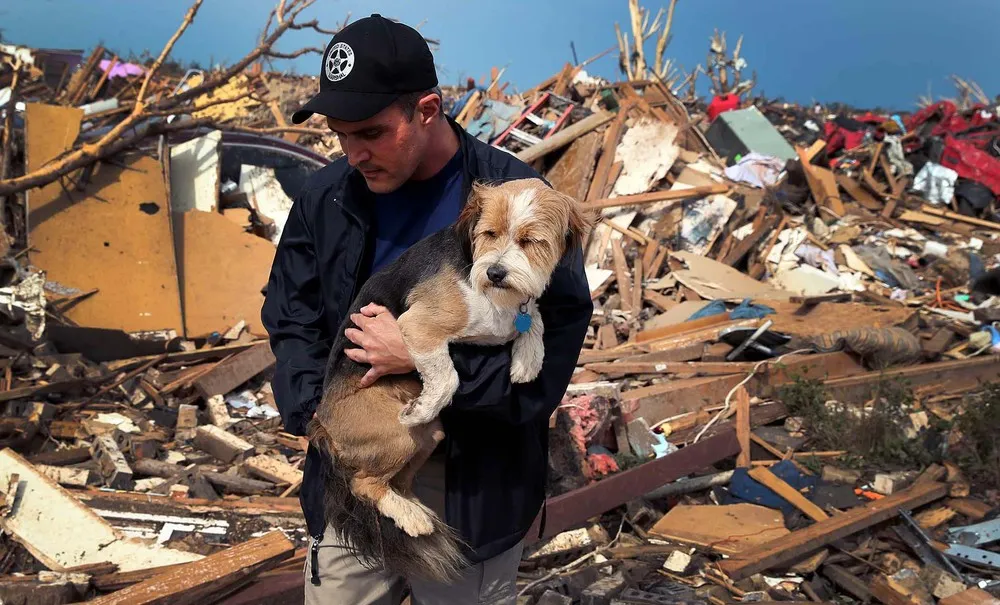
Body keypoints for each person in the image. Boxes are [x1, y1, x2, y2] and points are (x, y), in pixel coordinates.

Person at [260, 14, 593, 605]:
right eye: (340, 134)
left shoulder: (517, 204)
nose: (354, 152)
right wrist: (322, 416)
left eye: (371, 132)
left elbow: (549, 358)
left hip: (474, 479)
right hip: (360, 466)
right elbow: (292, 316)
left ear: (428, 110)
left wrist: (418, 359)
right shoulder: (327, 196)